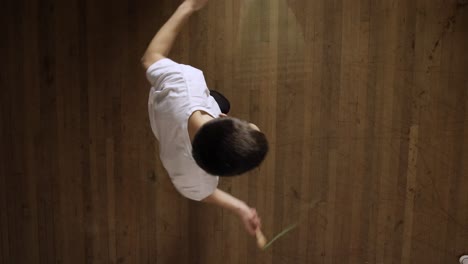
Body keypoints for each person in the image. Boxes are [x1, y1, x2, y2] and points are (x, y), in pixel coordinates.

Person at [141, 0, 269, 236]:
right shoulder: (192, 178)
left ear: (223, 118)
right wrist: (241, 208)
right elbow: (206, 193)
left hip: (169, 101)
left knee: (222, 99)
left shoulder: (185, 81)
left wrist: (188, 6)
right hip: (163, 122)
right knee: (223, 99)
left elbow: (151, 57)